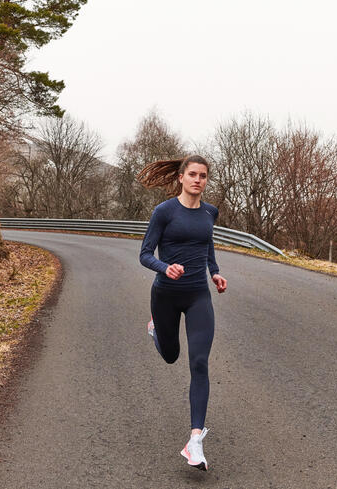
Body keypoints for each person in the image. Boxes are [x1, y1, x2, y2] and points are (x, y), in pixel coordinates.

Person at [137, 154, 227, 471]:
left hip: (198, 295)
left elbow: (207, 245)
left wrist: (214, 272)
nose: (198, 180)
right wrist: (165, 267)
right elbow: (145, 254)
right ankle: (156, 331)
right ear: (181, 177)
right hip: (165, 295)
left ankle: (195, 442)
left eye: (203, 175)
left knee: (199, 362)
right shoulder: (164, 212)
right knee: (172, 355)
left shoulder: (209, 213)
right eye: (192, 174)